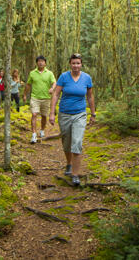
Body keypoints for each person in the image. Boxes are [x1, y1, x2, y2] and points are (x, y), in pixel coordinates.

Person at [49, 53, 96, 186]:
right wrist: (52, 113)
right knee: (67, 142)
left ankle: (75, 174)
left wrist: (93, 114)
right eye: (73, 63)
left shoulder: (87, 78)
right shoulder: (64, 77)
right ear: (70, 64)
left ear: (81, 64)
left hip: (80, 115)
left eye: (78, 63)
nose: (76, 65)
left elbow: (90, 97)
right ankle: (68, 164)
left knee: (77, 143)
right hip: (64, 114)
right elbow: (56, 94)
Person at [23, 55, 56, 144]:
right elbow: (28, 84)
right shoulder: (32, 73)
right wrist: (25, 94)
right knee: (34, 114)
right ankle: (33, 134)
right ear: (37, 63)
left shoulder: (49, 73)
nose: (41, 62)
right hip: (35, 98)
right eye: (39, 61)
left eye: (42, 61)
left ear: (45, 63)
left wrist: (52, 88)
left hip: (46, 98)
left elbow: (54, 82)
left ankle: (42, 130)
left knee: (44, 116)